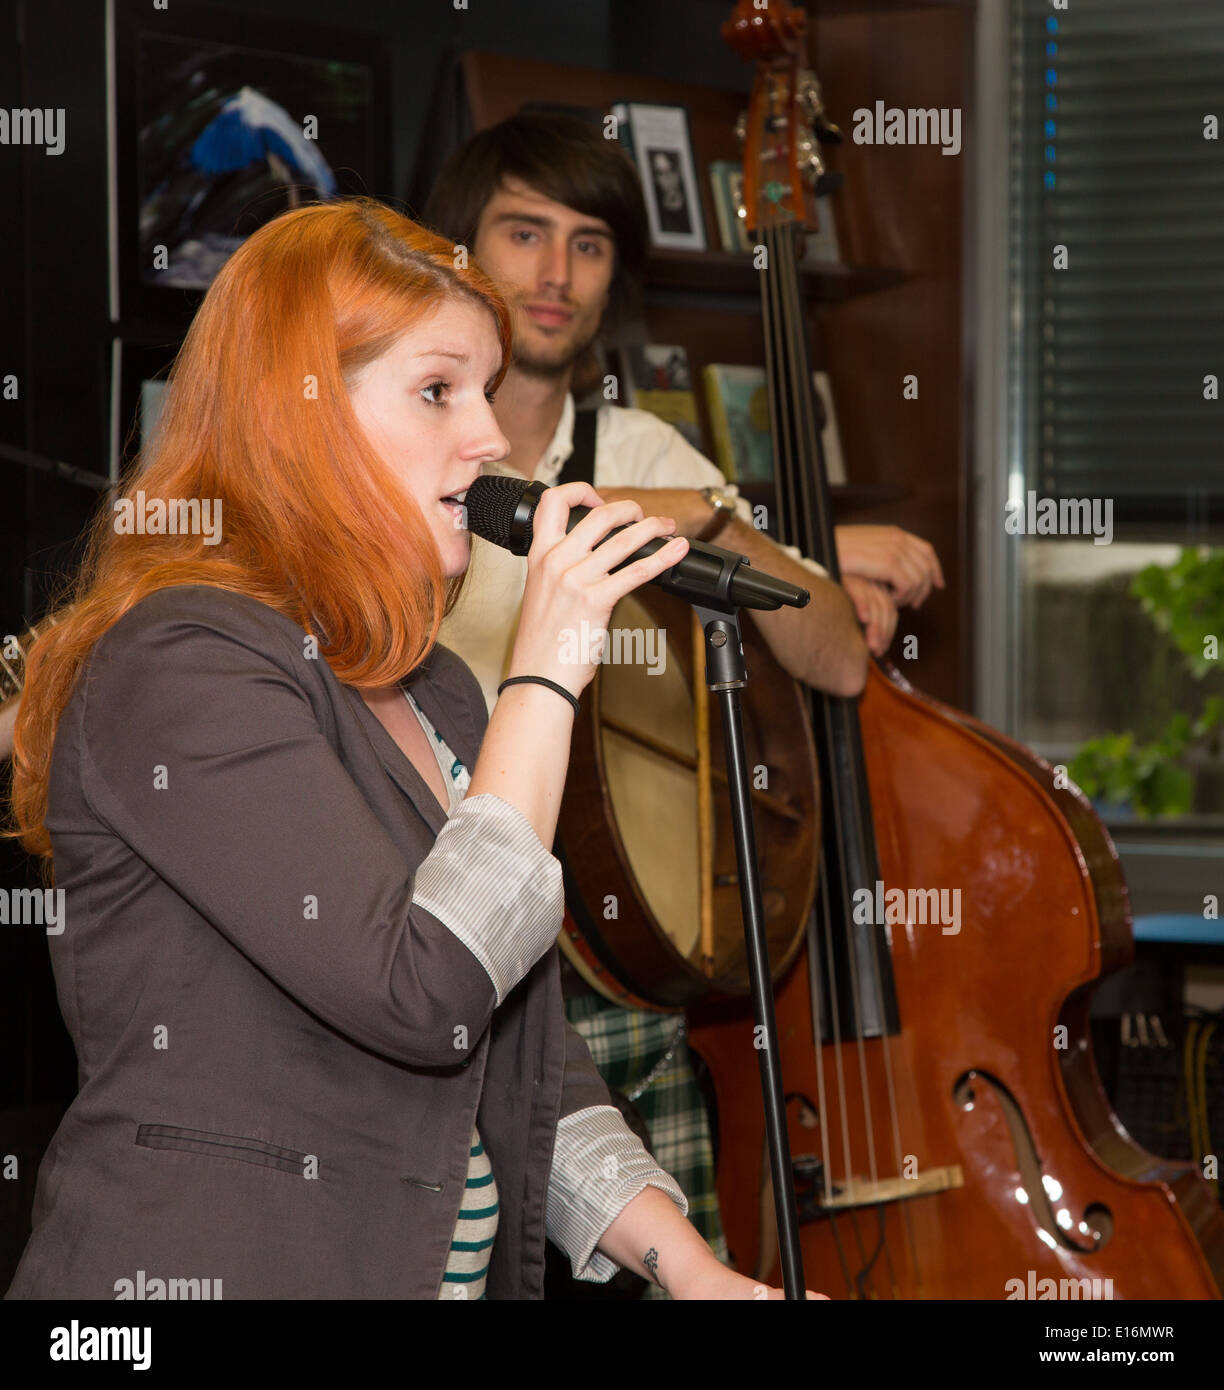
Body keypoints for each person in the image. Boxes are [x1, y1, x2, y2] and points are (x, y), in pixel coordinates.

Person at [4, 198, 819, 1300]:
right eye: (438, 390)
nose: (487, 436)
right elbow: (422, 988)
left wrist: (692, 1268)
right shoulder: (181, 661)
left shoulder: (431, 685)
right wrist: (545, 670)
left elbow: (528, 1051)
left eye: (485, 390)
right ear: (298, 420)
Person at [420, 111, 943, 1291]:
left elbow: (837, 660)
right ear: (459, 249)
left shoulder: (646, 448)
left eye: (591, 244)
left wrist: (706, 517)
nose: (556, 274)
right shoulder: (413, 450)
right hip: (430, 922)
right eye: (523, 232)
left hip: (613, 952)